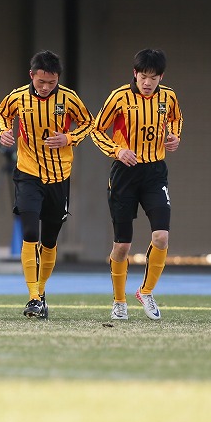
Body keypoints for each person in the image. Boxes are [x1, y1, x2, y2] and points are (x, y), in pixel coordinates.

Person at [0, 50, 95, 320]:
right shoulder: (18, 97)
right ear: (32, 75)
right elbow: (3, 114)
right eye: (41, 82)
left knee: (50, 240)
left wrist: (69, 138)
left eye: (51, 83)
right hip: (28, 173)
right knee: (30, 232)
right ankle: (32, 296)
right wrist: (5, 132)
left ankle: (40, 293)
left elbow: (89, 123)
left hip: (59, 176)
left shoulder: (69, 99)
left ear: (58, 79)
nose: (45, 87)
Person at [90, 48, 183, 321]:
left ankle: (146, 291)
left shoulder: (168, 97)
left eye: (153, 78)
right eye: (143, 77)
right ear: (135, 74)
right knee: (122, 246)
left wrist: (174, 136)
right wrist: (117, 151)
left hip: (155, 173)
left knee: (161, 236)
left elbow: (176, 119)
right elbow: (96, 129)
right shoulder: (119, 97)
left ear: (161, 77)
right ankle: (119, 301)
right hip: (125, 174)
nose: (147, 82)